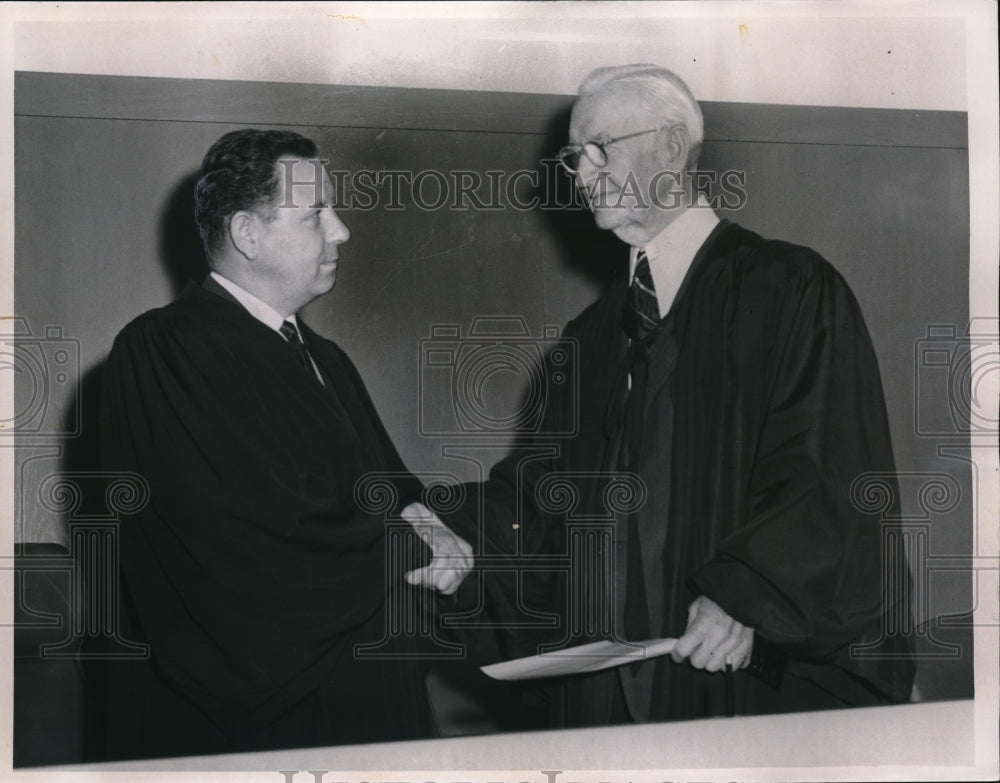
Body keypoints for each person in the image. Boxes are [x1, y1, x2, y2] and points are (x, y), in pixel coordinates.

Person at [461, 64, 914, 726]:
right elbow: (537, 497)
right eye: (572, 157)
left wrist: (746, 596)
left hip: (731, 674)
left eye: (599, 150)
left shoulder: (786, 290)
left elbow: (828, 475)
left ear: (672, 146)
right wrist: (445, 531)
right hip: (602, 695)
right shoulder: (589, 339)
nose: (581, 173)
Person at [100, 128, 472, 757]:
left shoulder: (324, 356)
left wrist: (424, 518)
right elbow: (243, 535)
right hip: (266, 716)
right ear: (247, 234)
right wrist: (412, 542)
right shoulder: (166, 347)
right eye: (316, 214)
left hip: (366, 686)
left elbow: (385, 490)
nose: (343, 231)